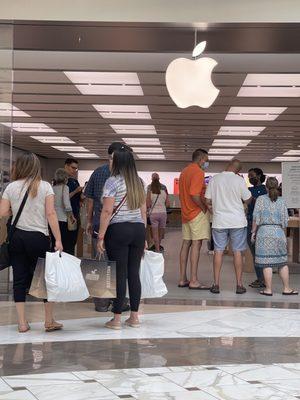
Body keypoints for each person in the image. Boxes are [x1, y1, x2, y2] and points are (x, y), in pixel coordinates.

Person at [0, 153, 63, 333]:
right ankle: (49, 321)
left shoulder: (11, 187)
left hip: (17, 237)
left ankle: (21, 323)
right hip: (38, 238)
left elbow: (3, 211)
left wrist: (17, 209)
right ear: (36, 167)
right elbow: (51, 214)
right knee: (45, 279)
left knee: (19, 279)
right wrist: (58, 239)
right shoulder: (45, 186)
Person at [97, 146, 147, 330]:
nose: (109, 162)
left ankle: (116, 318)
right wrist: (145, 236)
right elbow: (143, 210)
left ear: (118, 162)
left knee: (119, 274)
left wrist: (100, 236)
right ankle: (134, 317)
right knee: (134, 273)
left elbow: (107, 211)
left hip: (118, 230)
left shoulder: (112, 182)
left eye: (111, 159)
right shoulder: (139, 182)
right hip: (138, 230)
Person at [84, 142, 131, 313]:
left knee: (101, 264)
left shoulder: (98, 172)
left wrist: (89, 221)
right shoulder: (130, 176)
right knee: (121, 265)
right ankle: (121, 302)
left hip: (99, 225)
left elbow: (90, 199)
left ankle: (101, 303)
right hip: (122, 227)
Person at [205, 159, 252, 294]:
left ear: (228, 166)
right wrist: (243, 202)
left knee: (218, 251)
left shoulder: (214, 179)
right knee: (237, 252)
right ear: (238, 171)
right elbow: (248, 198)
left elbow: (207, 200)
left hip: (219, 221)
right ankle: (239, 285)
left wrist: (213, 210)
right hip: (238, 221)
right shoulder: (239, 180)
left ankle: (216, 284)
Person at [252, 177, 298, 296]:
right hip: (278, 232)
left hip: (263, 232)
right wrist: (283, 235)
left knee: (266, 263)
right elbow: (285, 221)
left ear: (266, 187)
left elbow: (256, 218)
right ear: (277, 186)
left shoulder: (260, 199)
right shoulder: (282, 201)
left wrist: (253, 232)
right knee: (282, 262)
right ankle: (287, 288)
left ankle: (268, 289)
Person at [178, 148, 210, 290]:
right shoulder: (198, 172)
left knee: (186, 244)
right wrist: (204, 207)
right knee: (196, 245)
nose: (207, 163)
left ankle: (182, 279)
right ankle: (194, 280)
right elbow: (194, 194)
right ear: (201, 159)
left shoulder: (184, 171)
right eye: (206, 160)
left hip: (185, 213)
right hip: (196, 213)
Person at [247, 168, 267, 288]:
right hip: (249, 222)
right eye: (249, 176)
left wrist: (254, 200)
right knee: (254, 253)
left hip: (261, 224)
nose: (250, 178)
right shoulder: (248, 190)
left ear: (259, 176)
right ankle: (260, 278)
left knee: (261, 253)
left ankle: (263, 279)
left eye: (252, 176)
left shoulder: (265, 190)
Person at [50, 168, 76, 254]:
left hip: (52, 220)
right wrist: (72, 216)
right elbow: (67, 204)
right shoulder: (65, 188)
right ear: (65, 178)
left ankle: (54, 262)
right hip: (63, 220)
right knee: (64, 243)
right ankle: (63, 262)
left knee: (54, 242)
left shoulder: (52, 188)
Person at [146, 174, 170, 252]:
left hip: (153, 214)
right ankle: (158, 247)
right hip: (163, 213)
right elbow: (168, 204)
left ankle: (157, 249)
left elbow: (148, 204)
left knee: (155, 234)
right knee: (161, 233)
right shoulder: (164, 188)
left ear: (152, 179)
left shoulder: (149, 188)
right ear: (159, 179)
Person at [64, 158, 82, 255]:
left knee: (72, 242)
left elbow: (80, 199)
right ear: (66, 166)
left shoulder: (75, 182)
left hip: (75, 215)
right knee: (65, 243)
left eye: (76, 169)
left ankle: (69, 265)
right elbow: (62, 198)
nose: (74, 170)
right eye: (72, 168)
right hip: (64, 216)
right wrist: (75, 191)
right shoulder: (60, 181)